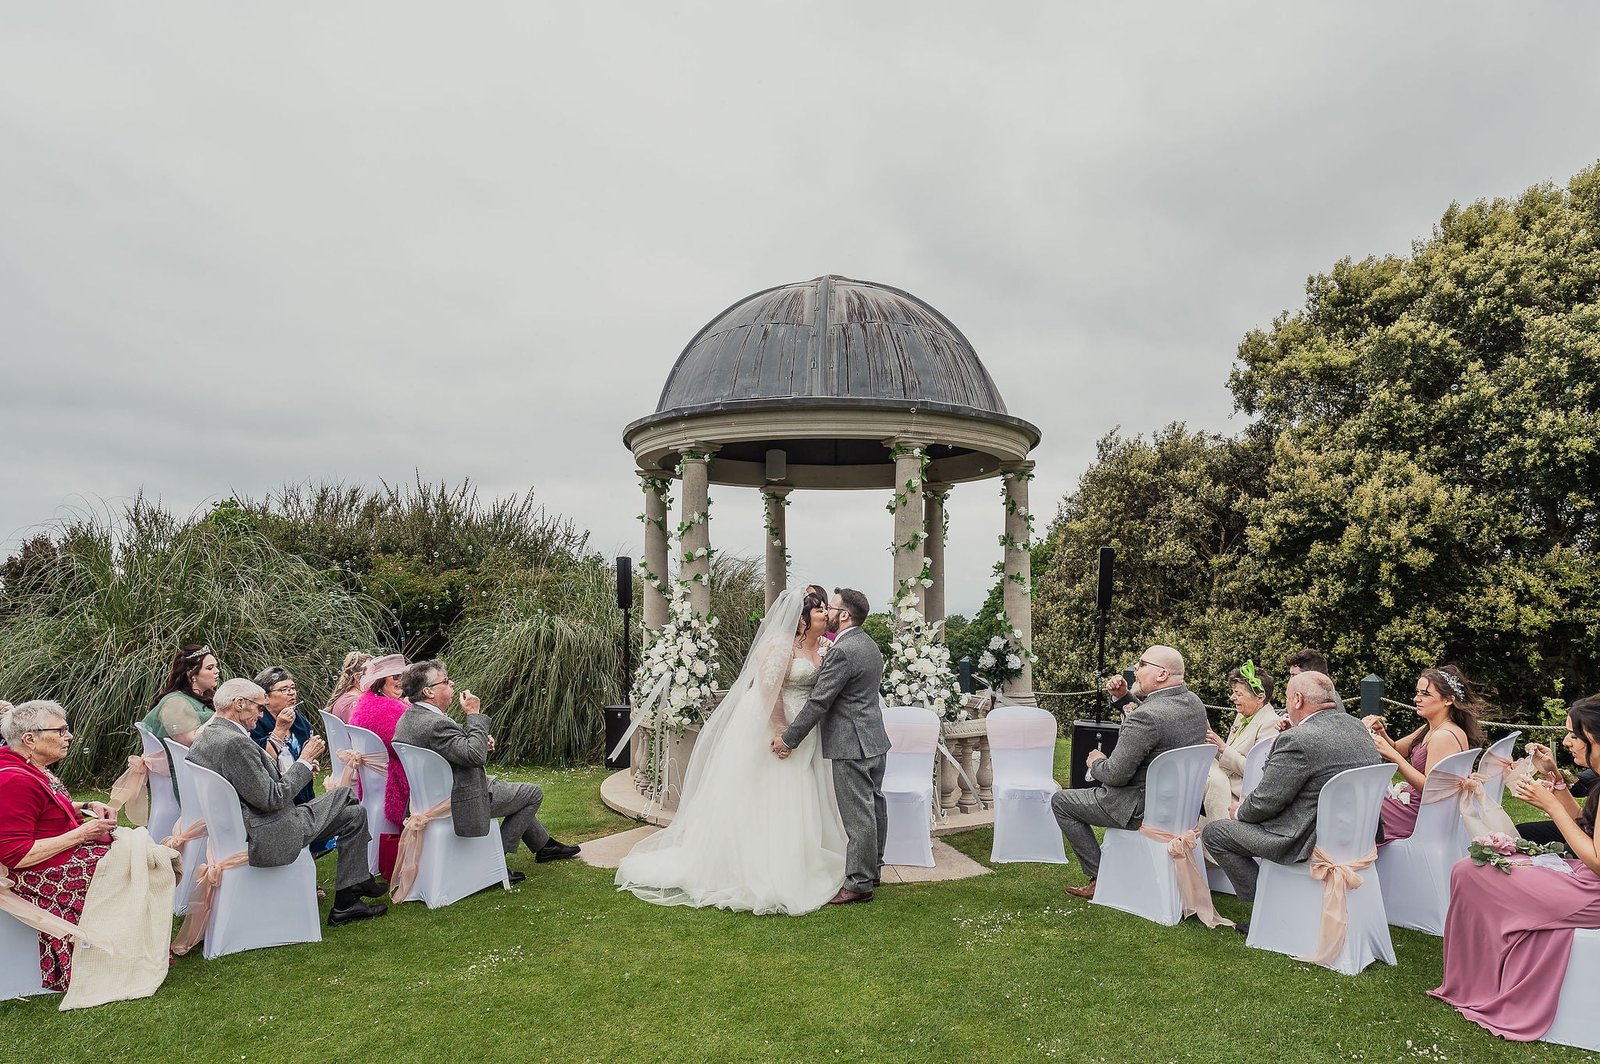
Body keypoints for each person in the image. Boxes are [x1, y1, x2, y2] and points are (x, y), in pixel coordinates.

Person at [617, 587, 848, 913]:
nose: (826, 613)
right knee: (772, 791)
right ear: (801, 621)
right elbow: (770, 691)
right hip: (772, 727)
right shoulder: (780, 647)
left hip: (806, 731)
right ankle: (763, 870)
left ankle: (798, 858)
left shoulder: (822, 647)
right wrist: (782, 730)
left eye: (826, 608)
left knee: (799, 791)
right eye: (820, 609)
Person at [1430, 694, 1600, 1041]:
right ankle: (1482, 975)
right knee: (1481, 866)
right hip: (1588, 884)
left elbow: (1597, 859)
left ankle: (1476, 980)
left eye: (1572, 735)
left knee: (1471, 871)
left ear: (1594, 737)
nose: (1567, 742)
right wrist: (1555, 780)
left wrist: (1550, 806)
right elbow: (1583, 822)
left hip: (1591, 893)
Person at [187, 678, 387, 926]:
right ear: (239, 704)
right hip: (270, 832)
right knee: (346, 797)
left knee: (355, 815)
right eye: (259, 707)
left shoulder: (208, 734)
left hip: (244, 825)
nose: (261, 715)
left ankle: (348, 900)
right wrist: (303, 762)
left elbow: (252, 781)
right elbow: (272, 799)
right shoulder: (235, 743)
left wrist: (295, 770)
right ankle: (355, 885)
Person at [1201, 671, 1381, 916]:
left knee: (1215, 832)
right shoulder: (1356, 727)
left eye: (1286, 698)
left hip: (1302, 840)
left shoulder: (1299, 740)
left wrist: (1239, 811)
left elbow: (1266, 801)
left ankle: (1267, 908)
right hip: (1357, 837)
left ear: (1297, 700)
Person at [393, 661, 578, 882]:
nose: (451, 684)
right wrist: (474, 714)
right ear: (429, 691)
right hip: (461, 800)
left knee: (509, 791)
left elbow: (453, 745)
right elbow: (475, 756)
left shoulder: (410, 718)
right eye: (445, 681)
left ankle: (544, 845)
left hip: (434, 795)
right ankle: (495, 861)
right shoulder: (435, 724)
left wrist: (478, 739)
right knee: (531, 793)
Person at [1053, 645, 1208, 898]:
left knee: (1061, 801)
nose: (1135, 669)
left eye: (1142, 664)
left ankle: (1101, 876)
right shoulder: (1194, 703)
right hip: (1179, 807)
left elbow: (1115, 775)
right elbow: (1155, 718)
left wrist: (1095, 762)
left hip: (1137, 807)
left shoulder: (1147, 717)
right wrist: (1124, 698)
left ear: (1162, 675)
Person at [772, 587, 888, 905]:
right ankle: (872, 868)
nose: (828, 612)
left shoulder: (841, 650)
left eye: (832, 608)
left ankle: (858, 884)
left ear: (844, 615)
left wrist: (788, 738)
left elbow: (819, 702)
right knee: (874, 807)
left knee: (858, 814)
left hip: (852, 742)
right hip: (875, 739)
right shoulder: (869, 645)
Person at [0, 701, 119, 990]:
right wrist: (83, 834)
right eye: (61, 730)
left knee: (145, 852)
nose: (69, 736)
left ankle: (128, 945)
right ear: (30, 739)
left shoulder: (26, 764)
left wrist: (86, 806)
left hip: (54, 857)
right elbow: (16, 855)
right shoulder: (13, 779)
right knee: (138, 864)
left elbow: (47, 808)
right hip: (37, 874)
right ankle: (116, 956)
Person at [1364, 665, 1486, 845]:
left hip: (1417, 816)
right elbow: (1399, 748)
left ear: (1448, 700)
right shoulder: (1432, 727)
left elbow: (1429, 788)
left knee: (1361, 808)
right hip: (1419, 808)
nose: (1416, 699)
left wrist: (1394, 758)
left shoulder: (1443, 736)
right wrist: (1381, 733)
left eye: (1425, 694)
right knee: (1364, 800)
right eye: (1417, 693)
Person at [348, 654, 410, 879]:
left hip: (373, 784)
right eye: (395, 676)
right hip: (391, 781)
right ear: (380, 682)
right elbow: (405, 746)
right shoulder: (387, 710)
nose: (401, 680)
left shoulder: (367, 703)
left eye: (403, 675)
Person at [1201, 662, 1283, 823]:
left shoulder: (1271, 723)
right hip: (1221, 787)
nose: (1232, 698)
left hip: (1238, 798)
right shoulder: (1243, 715)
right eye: (1233, 693)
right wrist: (1211, 739)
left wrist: (1223, 747)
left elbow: (1259, 773)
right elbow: (1229, 756)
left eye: (1238, 694)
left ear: (1260, 697)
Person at [250, 666, 315, 805]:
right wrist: (280, 729)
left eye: (293, 688)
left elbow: (302, 752)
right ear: (265, 697)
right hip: (277, 797)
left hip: (303, 793)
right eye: (284, 690)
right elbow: (262, 760)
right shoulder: (255, 723)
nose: (292, 693)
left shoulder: (298, 719)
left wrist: (310, 763)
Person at [140, 643, 219, 744]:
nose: (217, 671)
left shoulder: (206, 697)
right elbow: (190, 741)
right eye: (209, 668)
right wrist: (222, 714)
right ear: (191, 674)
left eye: (216, 666)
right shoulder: (174, 703)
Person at [325, 652, 373, 724]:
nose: (377, 679)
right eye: (372, 675)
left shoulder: (348, 697)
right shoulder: (353, 704)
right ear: (358, 677)